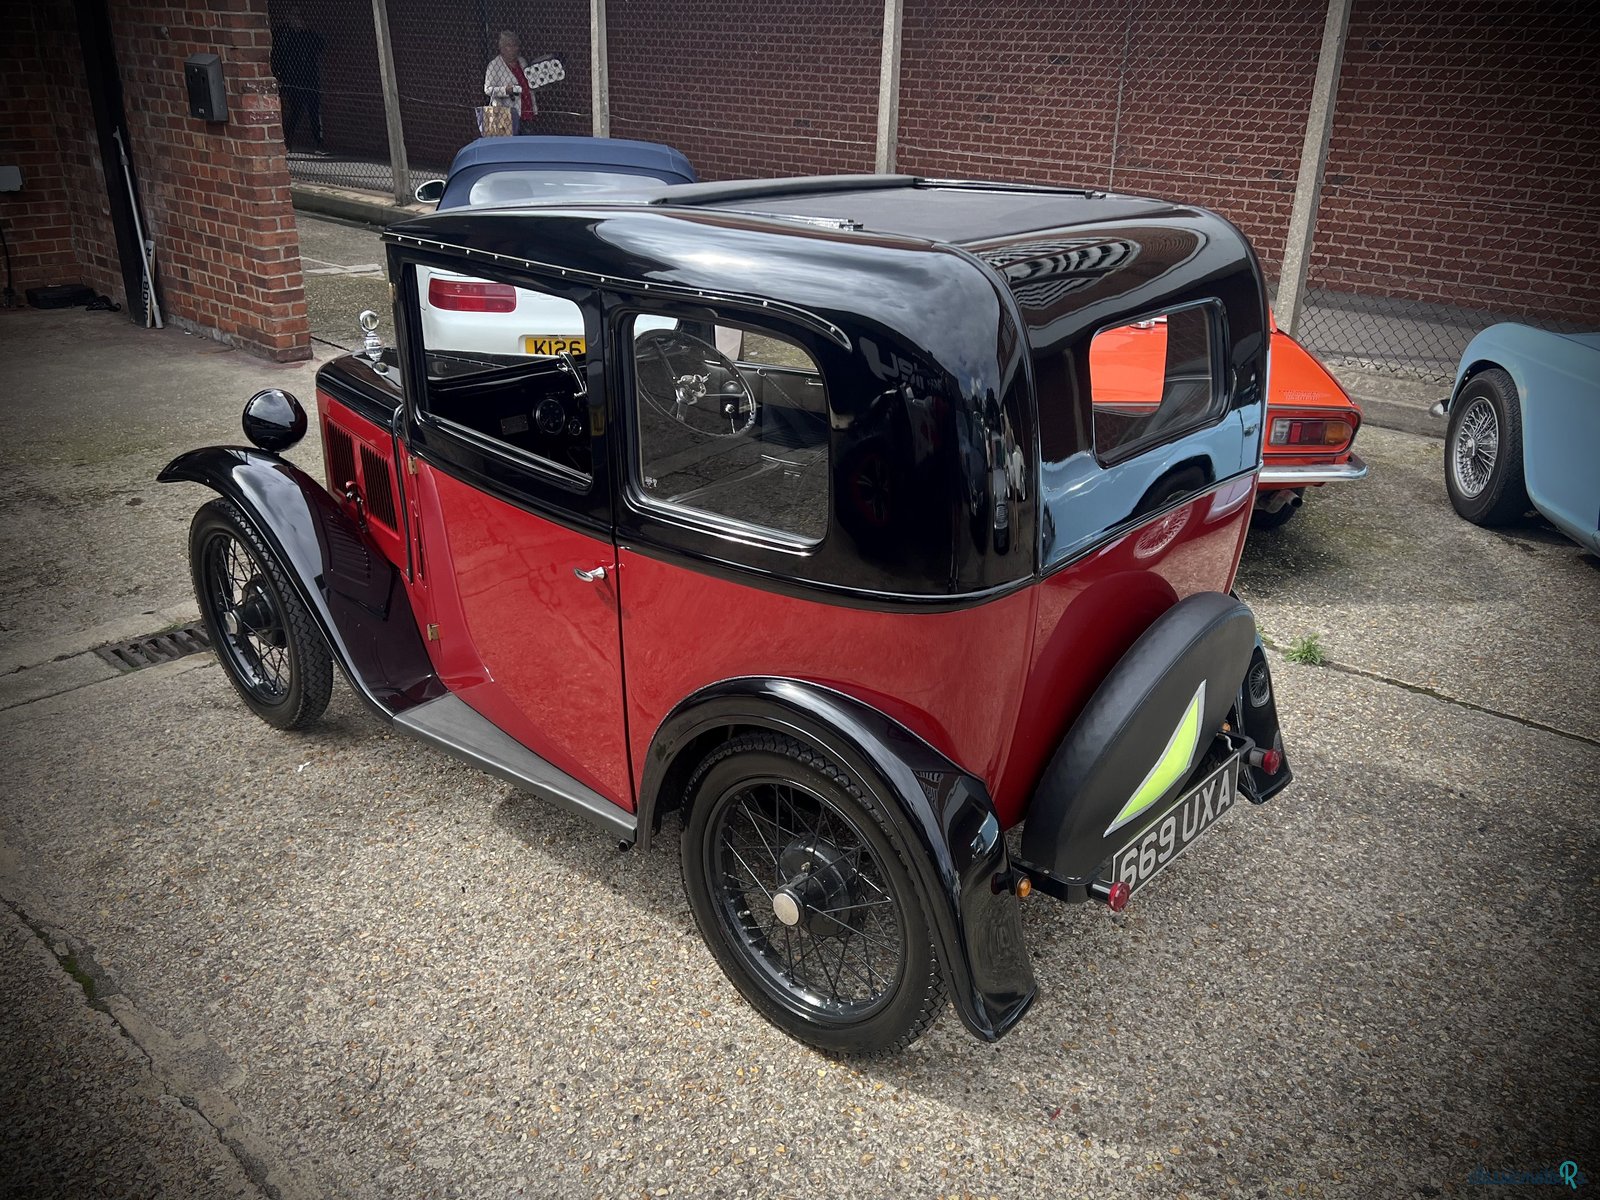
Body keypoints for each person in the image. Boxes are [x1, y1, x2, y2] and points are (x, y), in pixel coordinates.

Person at [272, 6, 327, 155]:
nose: (296, 20)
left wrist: (305, 30)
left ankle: (318, 143)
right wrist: (280, 75)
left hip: (310, 78)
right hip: (292, 78)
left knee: (314, 110)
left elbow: (320, 45)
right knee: (295, 110)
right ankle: (287, 141)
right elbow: (277, 56)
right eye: (293, 16)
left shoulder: (307, 34)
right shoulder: (283, 35)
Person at [483, 30, 536, 135]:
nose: (513, 49)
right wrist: (506, 90)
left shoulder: (522, 61)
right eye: (509, 46)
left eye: (515, 45)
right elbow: (488, 89)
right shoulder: (494, 66)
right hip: (507, 113)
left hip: (526, 108)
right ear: (502, 48)